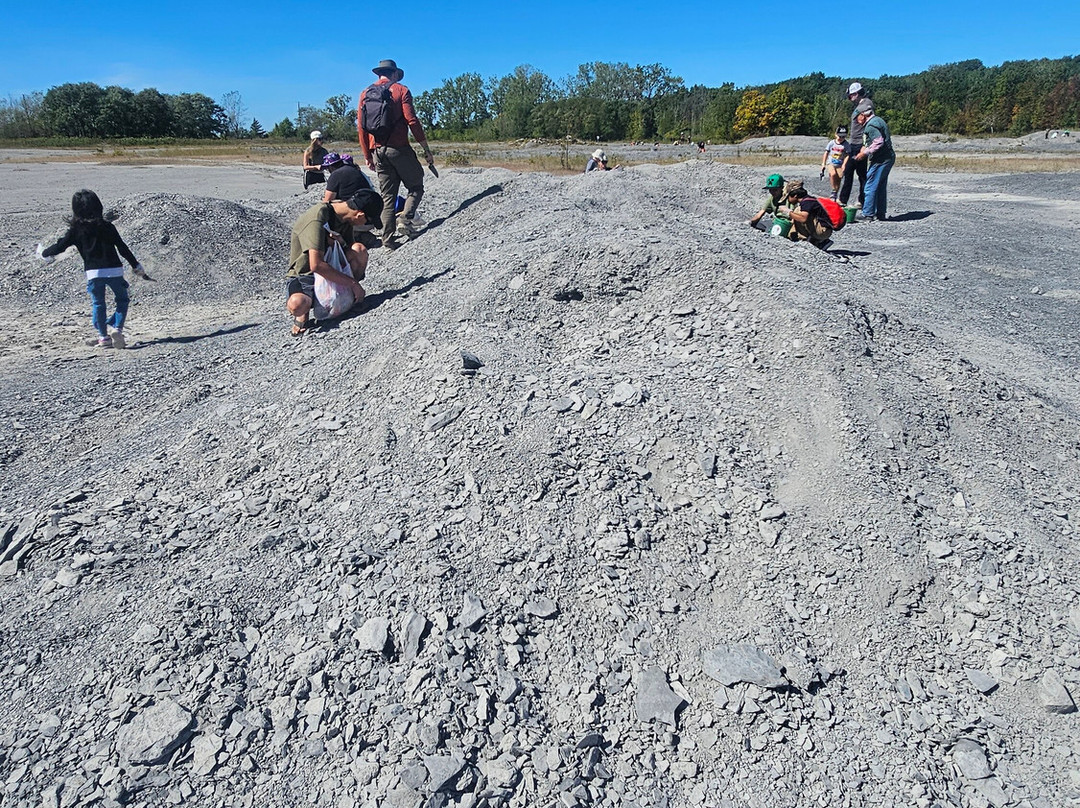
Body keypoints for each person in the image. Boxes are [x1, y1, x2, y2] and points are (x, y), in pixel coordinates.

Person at [36, 190, 152, 348]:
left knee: (98, 304)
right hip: (115, 270)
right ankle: (117, 328)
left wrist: (44, 253)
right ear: (98, 206)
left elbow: (60, 247)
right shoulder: (108, 227)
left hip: (94, 273)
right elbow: (123, 248)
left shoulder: (76, 231)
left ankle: (103, 337)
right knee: (122, 300)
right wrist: (136, 266)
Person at [358, 59, 434, 250]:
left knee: (387, 197)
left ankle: (387, 239)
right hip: (399, 147)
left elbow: (361, 128)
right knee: (416, 185)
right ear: (394, 73)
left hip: (377, 151)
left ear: (379, 74)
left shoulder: (365, 94)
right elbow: (412, 121)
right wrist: (425, 147)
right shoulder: (401, 90)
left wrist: (367, 155)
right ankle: (406, 219)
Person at [286, 189, 384, 335]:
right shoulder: (318, 218)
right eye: (367, 221)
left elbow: (348, 252)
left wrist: (340, 242)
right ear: (360, 214)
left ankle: (347, 300)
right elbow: (316, 265)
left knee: (359, 250)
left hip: (331, 267)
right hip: (306, 274)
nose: (365, 225)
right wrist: (353, 283)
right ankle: (304, 313)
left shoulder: (345, 219)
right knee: (297, 304)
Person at [854, 102, 895, 222]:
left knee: (870, 186)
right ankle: (880, 213)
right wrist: (864, 148)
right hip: (888, 158)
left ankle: (868, 214)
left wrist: (864, 153)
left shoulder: (871, 125)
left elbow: (878, 141)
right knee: (880, 186)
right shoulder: (878, 120)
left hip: (880, 160)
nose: (856, 120)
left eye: (857, 117)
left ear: (863, 115)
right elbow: (870, 142)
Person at [839, 83, 871, 208]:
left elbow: (869, 119)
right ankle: (843, 200)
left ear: (856, 93)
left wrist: (865, 145)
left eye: (850, 95)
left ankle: (862, 201)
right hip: (853, 144)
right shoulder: (859, 106)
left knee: (862, 175)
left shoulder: (866, 104)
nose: (849, 98)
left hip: (860, 145)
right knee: (848, 172)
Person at [820, 125, 852, 201]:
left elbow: (847, 155)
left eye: (843, 137)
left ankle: (835, 194)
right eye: (839, 136)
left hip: (839, 164)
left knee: (839, 178)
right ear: (835, 134)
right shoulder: (831, 143)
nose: (841, 139)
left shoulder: (846, 145)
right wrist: (823, 163)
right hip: (831, 162)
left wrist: (844, 164)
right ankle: (833, 190)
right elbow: (826, 152)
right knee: (833, 174)